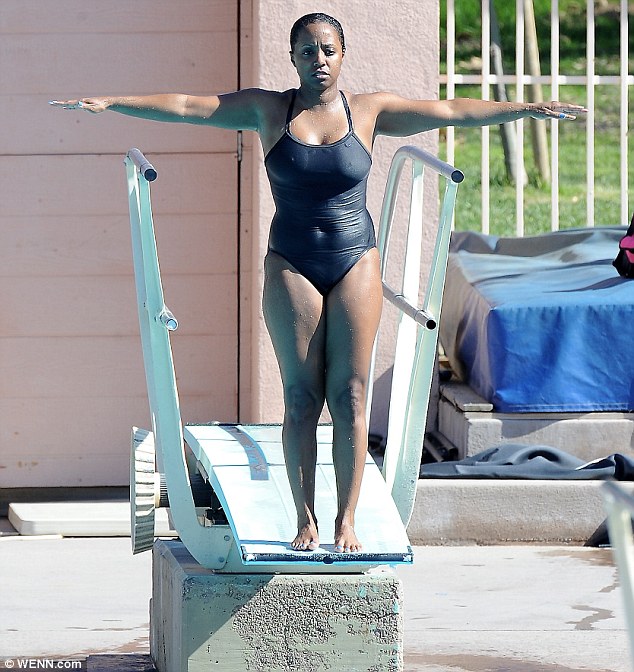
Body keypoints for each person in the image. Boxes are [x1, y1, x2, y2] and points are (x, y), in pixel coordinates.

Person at [51, 12, 585, 554]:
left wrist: (524, 109)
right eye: (307, 52)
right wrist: (113, 103)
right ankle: (305, 518)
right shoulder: (268, 110)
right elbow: (190, 105)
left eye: (328, 50)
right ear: (293, 59)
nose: (319, 61)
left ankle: (346, 520)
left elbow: (448, 110)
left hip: (356, 260)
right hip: (292, 262)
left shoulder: (370, 111)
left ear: (342, 55)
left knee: (350, 394)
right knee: (301, 397)